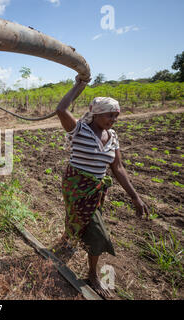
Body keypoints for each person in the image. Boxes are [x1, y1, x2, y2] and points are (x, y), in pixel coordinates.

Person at [55, 75, 149, 298]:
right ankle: (92, 275)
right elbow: (61, 109)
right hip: (76, 186)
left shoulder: (113, 136)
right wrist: (79, 85)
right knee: (98, 233)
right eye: (109, 114)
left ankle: (67, 239)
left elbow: (118, 168)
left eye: (116, 116)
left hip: (96, 190)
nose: (113, 119)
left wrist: (135, 196)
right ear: (96, 113)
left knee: (82, 218)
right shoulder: (79, 129)